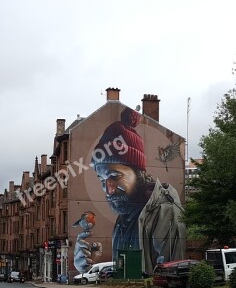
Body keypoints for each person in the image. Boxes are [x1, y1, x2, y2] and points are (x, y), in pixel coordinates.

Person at [74, 107, 187, 275]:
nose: (109, 190)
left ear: (139, 173)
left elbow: (170, 273)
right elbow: (125, 271)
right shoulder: (126, 217)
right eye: (102, 180)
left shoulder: (165, 211)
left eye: (114, 175)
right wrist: (91, 266)